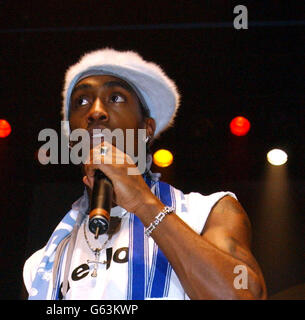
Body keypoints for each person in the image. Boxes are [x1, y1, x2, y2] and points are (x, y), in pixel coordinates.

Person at [23, 48, 267, 300]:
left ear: (146, 129)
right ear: (72, 138)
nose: (95, 111)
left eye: (115, 97)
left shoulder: (209, 212)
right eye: (81, 101)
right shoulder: (41, 265)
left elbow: (242, 296)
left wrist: (144, 203)